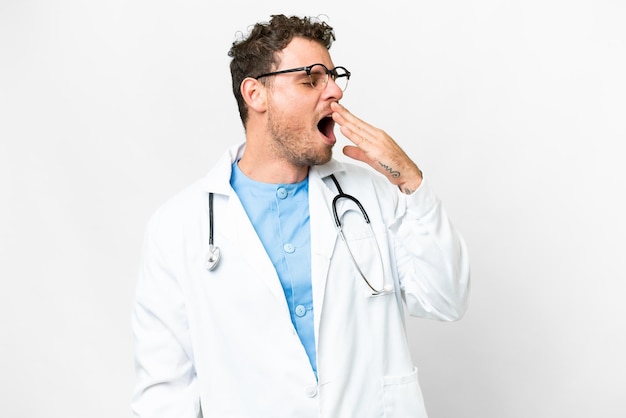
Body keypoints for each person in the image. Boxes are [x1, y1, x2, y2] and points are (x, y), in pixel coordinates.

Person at [131, 14, 470, 418]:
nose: (336, 91)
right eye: (312, 79)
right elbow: (164, 395)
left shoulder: (373, 194)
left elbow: (446, 298)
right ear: (256, 95)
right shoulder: (178, 227)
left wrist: (411, 180)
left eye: (334, 76)